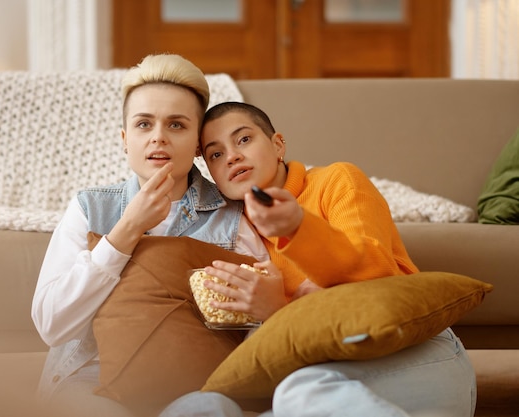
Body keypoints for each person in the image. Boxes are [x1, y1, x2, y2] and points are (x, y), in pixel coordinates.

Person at [158, 102, 477, 417]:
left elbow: (376, 275)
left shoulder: (336, 181)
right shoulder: (230, 229)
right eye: (216, 154)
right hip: (322, 377)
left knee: (300, 393)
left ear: (277, 144)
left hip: (412, 353)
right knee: (200, 405)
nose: (233, 156)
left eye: (243, 139)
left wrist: (295, 236)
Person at [31, 57, 268, 417]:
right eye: (144, 124)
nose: (158, 136)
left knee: (213, 408)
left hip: (191, 382)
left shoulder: (232, 217)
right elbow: (52, 327)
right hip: (89, 382)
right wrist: (124, 233)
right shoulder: (89, 208)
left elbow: (258, 324)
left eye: (176, 124)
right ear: (126, 140)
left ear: (198, 145)